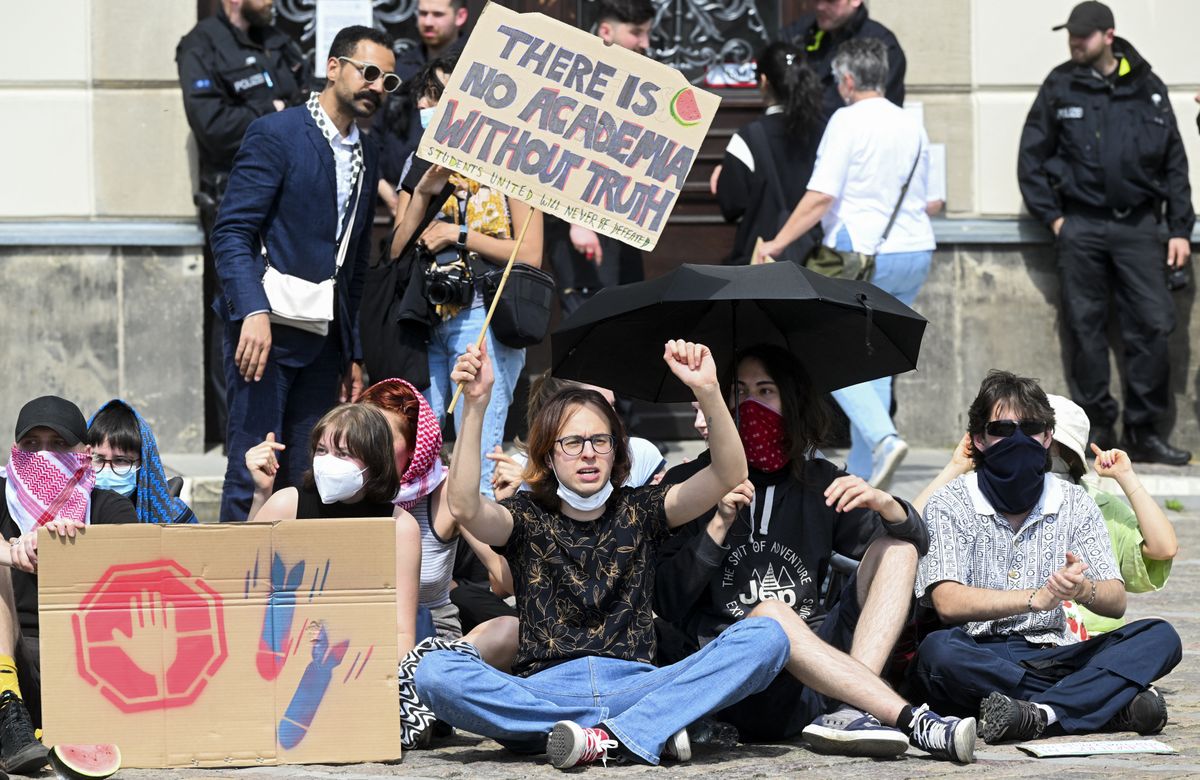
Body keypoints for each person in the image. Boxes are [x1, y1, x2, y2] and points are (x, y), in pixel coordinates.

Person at [414, 340, 790, 769]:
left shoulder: (643, 508)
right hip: (545, 691)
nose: (588, 452)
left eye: (600, 440)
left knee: (768, 636)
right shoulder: (524, 517)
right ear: (549, 455)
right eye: (572, 442)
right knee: (434, 673)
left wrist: (709, 391)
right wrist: (477, 406)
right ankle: (641, 730)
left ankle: (609, 734)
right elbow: (464, 507)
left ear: (617, 451)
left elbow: (729, 473)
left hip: (639, 685)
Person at [655, 345, 974, 762]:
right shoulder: (688, 483)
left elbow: (915, 542)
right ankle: (910, 720)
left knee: (897, 550)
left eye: (766, 391)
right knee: (770, 616)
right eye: (740, 392)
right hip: (726, 682)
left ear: (792, 402)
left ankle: (852, 710)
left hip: (812, 679)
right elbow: (666, 601)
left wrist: (885, 504)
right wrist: (715, 526)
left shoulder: (819, 482)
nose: (752, 404)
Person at [912, 370, 1182, 744]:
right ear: (978, 439)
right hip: (979, 653)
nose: (1018, 440)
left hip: (1056, 655)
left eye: (1031, 428)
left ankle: (1040, 714)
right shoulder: (950, 502)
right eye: (1002, 430)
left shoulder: (1076, 502)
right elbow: (947, 602)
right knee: (937, 653)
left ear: (1047, 437)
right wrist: (1033, 598)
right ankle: (1097, 705)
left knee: (1159, 635)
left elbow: (1116, 602)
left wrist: (1083, 588)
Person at [211, 26, 394, 521]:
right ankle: (237, 584)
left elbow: (354, 263)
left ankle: (296, 588)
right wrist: (251, 308)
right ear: (334, 67)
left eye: (389, 81)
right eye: (369, 72)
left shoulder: (368, 151)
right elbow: (232, 232)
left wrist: (352, 351)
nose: (377, 87)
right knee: (254, 463)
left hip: (322, 337)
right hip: (263, 330)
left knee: (314, 470)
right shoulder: (279, 133)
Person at [1017, 1, 1194, 465]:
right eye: (1071, 36)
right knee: (1085, 329)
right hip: (1082, 226)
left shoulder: (1147, 87)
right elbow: (1031, 159)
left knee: (1154, 325)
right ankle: (1095, 436)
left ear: (1108, 36)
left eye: (1084, 36)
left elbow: (1175, 161)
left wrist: (1180, 227)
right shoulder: (1060, 84)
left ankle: (1143, 432)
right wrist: (1056, 219)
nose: (1075, 43)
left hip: (1139, 225)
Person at [758, 38, 934, 489]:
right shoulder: (910, 122)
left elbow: (820, 197)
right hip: (913, 249)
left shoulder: (847, 120)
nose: (837, 89)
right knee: (876, 359)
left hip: (857, 252)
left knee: (828, 350)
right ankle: (865, 474)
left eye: (838, 81)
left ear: (850, 80)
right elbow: (931, 198)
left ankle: (882, 439)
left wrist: (777, 243)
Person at [389, 59, 544, 498]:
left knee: (479, 451)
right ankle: (429, 557)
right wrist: (423, 191)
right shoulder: (418, 163)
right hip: (428, 320)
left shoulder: (513, 160)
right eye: (423, 96)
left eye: (437, 95)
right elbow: (397, 248)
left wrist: (460, 234)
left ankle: (485, 563)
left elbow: (529, 252)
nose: (427, 105)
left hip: (484, 316)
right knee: (419, 451)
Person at [176, 0, 311, 445]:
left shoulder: (278, 41)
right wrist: (270, 111)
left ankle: (286, 427)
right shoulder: (201, 45)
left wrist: (269, 109)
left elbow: (307, 109)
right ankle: (240, 435)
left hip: (291, 200)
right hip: (235, 201)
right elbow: (211, 125)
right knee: (236, 309)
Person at [0, 396, 139, 772]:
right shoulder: (2, 499)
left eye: (59, 444)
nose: (44, 455)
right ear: (15, 451)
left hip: (85, 657)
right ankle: (6, 706)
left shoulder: (108, 506)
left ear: (85, 452)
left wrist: (78, 549)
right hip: (12, 652)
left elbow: (138, 570)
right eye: (32, 445)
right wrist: (12, 552)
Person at [546, 0, 655, 316]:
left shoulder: (637, 78)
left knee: (626, 318)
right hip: (581, 230)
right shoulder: (577, 77)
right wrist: (577, 220)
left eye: (647, 33)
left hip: (622, 222)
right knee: (589, 321)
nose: (645, 43)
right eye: (637, 33)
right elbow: (555, 150)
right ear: (606, 31)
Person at [1044, 394, 1177, 637]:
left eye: (1049, 443)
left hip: (1093, 638)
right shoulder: (990, 495)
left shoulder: (1099, 504)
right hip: (1022, 638)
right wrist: (959, 466)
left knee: (1159, 637)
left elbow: (1163, 548)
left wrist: (1126, 477)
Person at [710, 43, 825, 265]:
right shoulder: (825, 132)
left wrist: (724, 175)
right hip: (815, 261)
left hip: (761, 259)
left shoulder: (748, 138)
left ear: (763, 81)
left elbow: (732, 206)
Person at [373, 0, 470, 215]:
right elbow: (377, 132)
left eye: (437, 14)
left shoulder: (474, 65)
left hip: (460, 198)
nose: (427, 21)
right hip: (398, 197)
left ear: (460, 16)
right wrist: (387, 192)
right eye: (423, 13)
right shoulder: (401, 67)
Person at [782, 0, 905, 121]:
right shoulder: (801, 34)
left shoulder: (880, 45)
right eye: (815, 0)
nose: (820, 7)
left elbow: (875, 112)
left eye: (831, 1)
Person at [87, 400, 197, 524]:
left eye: (121, 460)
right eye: (98, 459)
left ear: (144, 465)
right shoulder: (72, 511)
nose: (107, 470)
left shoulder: (175, 517)